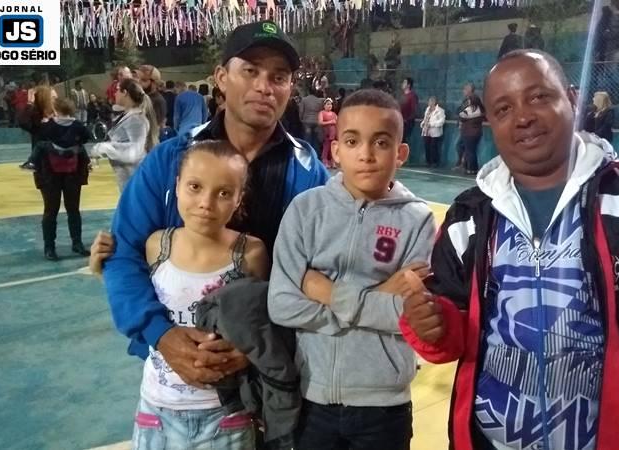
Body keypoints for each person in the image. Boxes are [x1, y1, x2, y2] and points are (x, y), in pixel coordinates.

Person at [400, 49, 619, 450]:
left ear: (572, 99)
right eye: (503, 109)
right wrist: (433, 323)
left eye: (538, 97)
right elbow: (451, 325)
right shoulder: (470, 215)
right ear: (490, 124)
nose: (522, 117)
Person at [88, 22, 328, 407]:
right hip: (180, 376)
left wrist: (258, 343)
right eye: (250, 71)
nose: (264, 86)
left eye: (278, 77)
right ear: (221, 78)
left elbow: (323, 272)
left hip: (276, 372)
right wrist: (162, 335)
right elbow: (124, 253)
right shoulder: (171, 160)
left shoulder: (309, 173)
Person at [268, 89, 436, 450]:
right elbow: (281, 304)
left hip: (384, 405)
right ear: (336, 150)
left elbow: (407, 316)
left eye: (381, 142)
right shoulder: (306, 211)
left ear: (401, 153)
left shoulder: (417, 220)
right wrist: (376, 298)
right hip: (313, 398)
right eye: (352, 141)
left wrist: (327, 293)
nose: (366, 154)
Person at [134, 139, 269, 450]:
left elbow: (263, 323)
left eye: (223, 193)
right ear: (177, 186)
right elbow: (140, 301)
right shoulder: (157, 245)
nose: (206, 203)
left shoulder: (250, 253)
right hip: (157, 408)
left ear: (239, 198)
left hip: (225, 413)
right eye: (195, 187)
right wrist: (101, 266)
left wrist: (246, 354)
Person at [20, 94, 92, 261]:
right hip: (72, 172)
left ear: (56, 109)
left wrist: (30, 103)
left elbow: (29, 128)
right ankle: (77, 243)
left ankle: (50, 247)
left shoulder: (46, 126)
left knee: (50, 210)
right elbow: (86, 138)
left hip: (50, 174)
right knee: (73, 209)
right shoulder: (78, 125)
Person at [89, 77, 160, 191]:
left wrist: (104, 148)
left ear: (125, 93)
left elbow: (135, 151)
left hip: (137, 182)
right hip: (129, 180)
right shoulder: (128, 116)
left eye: (118, 90)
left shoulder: (136, 119)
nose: (115, 93)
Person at [458, 93, 485, 175]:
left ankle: (471, 168)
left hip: (468, 133)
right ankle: (472, 168)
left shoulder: (469, 110)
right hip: (477, 133)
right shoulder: (481, 110)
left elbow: (461, 116)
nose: (468, 101)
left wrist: (464, 115)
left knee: (469, 151)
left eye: (469, 100)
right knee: (472, 151)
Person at [136, 64, 168, 129]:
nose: (139, 82)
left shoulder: (158, 101)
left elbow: (156, 126)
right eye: (139, 79)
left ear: (154, 83)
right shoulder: (141, 97)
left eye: (144, 80)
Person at [421, 96, 446, 167]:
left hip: (435, 132)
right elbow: (425, 119)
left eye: (431, 101)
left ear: (434, 102)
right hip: (426, 131)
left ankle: (434, 162)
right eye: (429, 101)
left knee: (433, 147)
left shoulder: (440, 110)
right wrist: (423, 124)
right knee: (426, 147)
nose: (429, 103)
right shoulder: (427, 109)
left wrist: (431, 124)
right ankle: (427, 161)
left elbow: (441, 121)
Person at [299, 89, 324, 154]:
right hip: (316, 121)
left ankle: (307, 153)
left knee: (307, 138)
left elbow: (301, 111)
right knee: (315, 139)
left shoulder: (304, 100)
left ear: (308, 92)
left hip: (307, 121)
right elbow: (321, 110)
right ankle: (316, 153)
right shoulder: (319, 101)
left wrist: (301, 119)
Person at [317, 98, 337, 168]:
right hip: (326, 132)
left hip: (333, 133)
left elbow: (337, 121)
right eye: (328, 104)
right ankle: (325, 161)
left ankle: (332, 161)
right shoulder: (322, 113)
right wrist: (330, 122)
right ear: (324, 105)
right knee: (326, 147)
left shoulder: (334, 113)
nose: (329, 106)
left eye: (330, 104)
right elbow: (320, 122)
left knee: (333, 147)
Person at [400, 77, 418, 144]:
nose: (402, 84)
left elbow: (414, 110)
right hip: (400, 121)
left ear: (408, 85)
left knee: (404, 141)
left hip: (407, 123)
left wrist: (407, 120)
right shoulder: (402, 96)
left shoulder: (412, 96)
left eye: (404, 82)